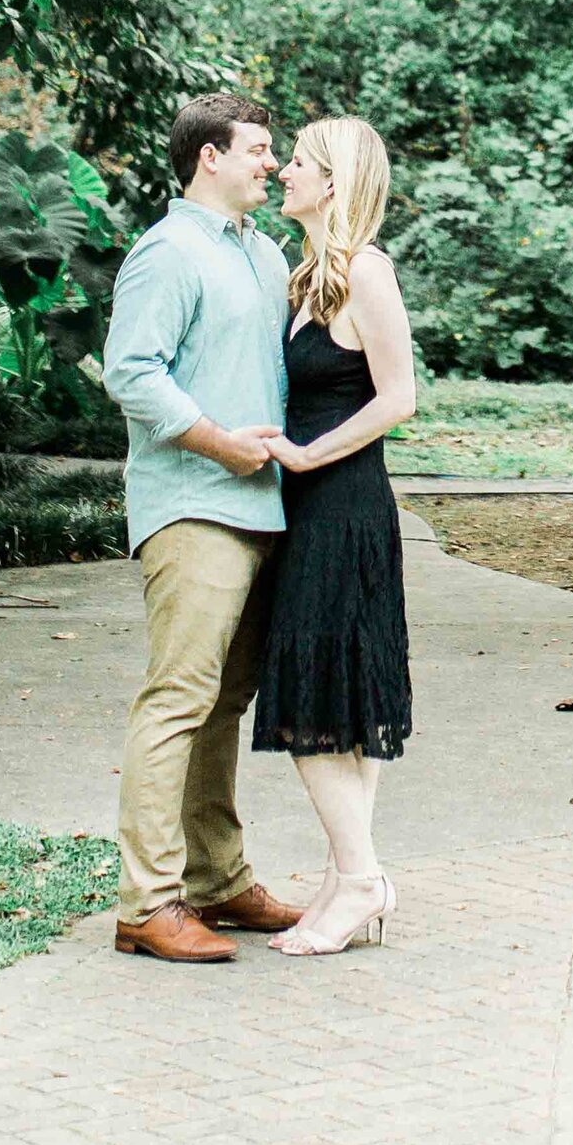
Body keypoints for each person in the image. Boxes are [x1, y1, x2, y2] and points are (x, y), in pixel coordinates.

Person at [102, 90, 307, 964]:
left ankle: (217, 879)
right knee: (178, 699)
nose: (273, 161)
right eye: (259, 148)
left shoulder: (266, 255)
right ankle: (147, 903)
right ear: (209, 156)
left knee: (224, 702)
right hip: (192, 505)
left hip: (261, 508)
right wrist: (220, 444)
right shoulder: (167, 251)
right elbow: (132, 373)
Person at [252, 113, 418, 957]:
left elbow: (398, 398)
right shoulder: (306, 273)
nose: (283, 169)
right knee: (341, 695)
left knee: (316, 692)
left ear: (335, 182)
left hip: (345, 503)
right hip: (309, 504)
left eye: (302, 163)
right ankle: (345, 874)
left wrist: (308, 453)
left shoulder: (368, 273)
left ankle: (361, 878)